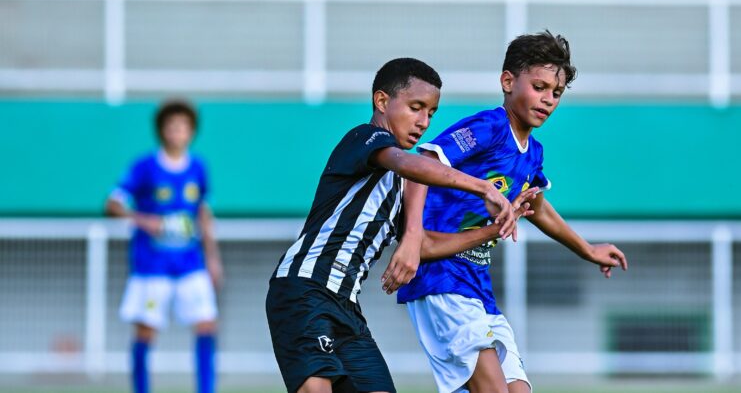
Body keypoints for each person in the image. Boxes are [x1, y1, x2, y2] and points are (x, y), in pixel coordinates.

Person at [265, 57, 527, 393]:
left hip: (346, 307)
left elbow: (425, 246)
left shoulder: (399, 185)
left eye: (430, 113)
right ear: (382, 101)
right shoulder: (366, 139)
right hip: (303, 290)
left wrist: (494, 230)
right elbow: (408, 162)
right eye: (416, 107)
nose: (423, 121)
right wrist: (482, 185)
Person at [396, 31, 629, 393]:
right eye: (539, 86)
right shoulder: (489, 128)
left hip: (477, 285)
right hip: (441, 276)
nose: (548, 99)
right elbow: (423, 163)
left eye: (557, 93)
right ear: (508, 81)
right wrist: (412, 239)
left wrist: (588, 249)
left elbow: (536, 206)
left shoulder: (533, 152)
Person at [106, 99, 222, 393]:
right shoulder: (144, 167)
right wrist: (145, 221)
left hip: (189, 262)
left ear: (191, 131)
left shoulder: (198, 167)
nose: (177, 132)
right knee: (146, 331)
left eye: (182, 127)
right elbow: (113, 204)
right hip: (151, 265)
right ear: (161, 131)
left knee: (207, 324)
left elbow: (203, 213)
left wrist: (213, 258)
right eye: (171, 127)